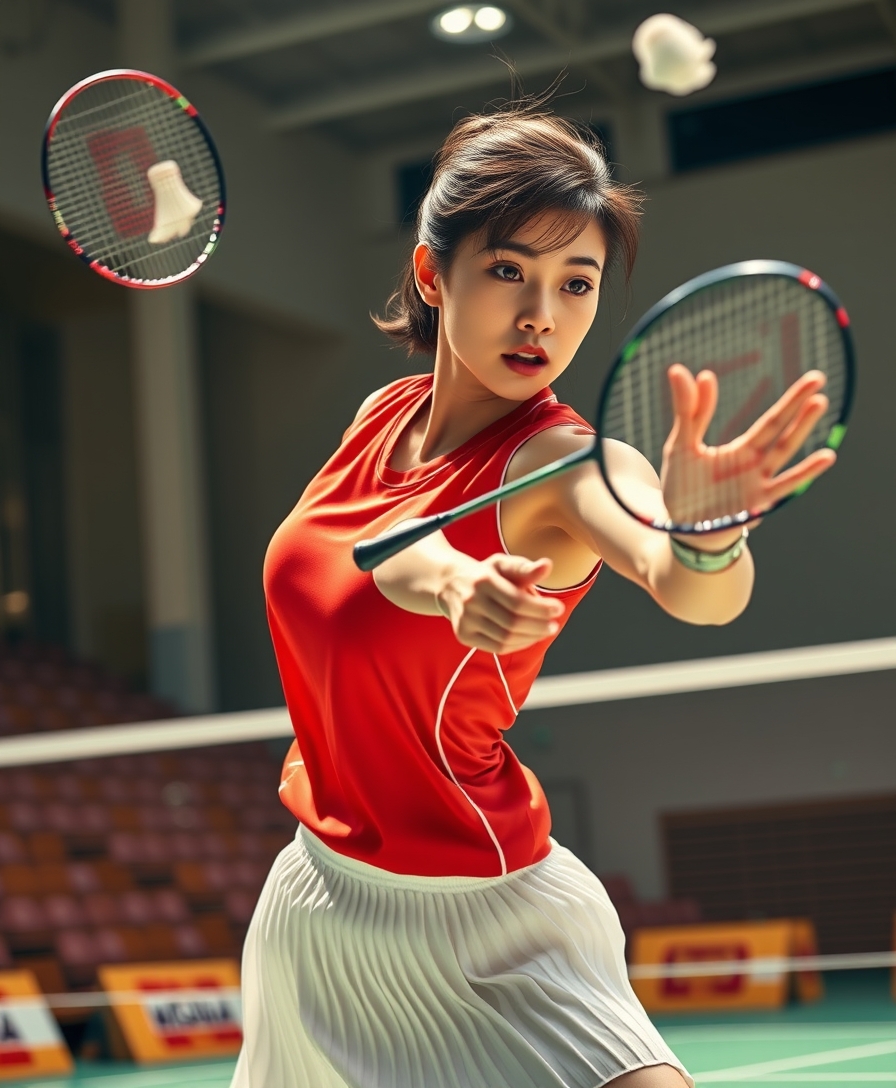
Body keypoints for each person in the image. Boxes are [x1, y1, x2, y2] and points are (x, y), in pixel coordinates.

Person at [231, 99, 834, 1088]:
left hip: (487, 915)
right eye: (508, 269)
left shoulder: (563, 463)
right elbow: (382, 554)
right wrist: (444, 577)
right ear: (434, 273)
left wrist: (704, 534)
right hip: (313, 906)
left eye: (575, 282)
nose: (539, 315)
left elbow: (683, 583)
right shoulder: (379, 417)